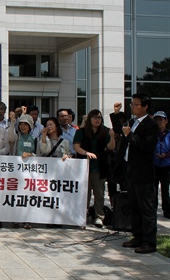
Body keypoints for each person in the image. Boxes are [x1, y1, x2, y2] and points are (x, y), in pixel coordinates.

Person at [114, 94, 158, 254]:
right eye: (132, 104)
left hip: (143, 172)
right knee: (135, 206)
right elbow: (120, 132)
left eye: (136, 104)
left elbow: (147, 146)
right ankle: (138, 236)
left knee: (146, 207)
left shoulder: (151, 125)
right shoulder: (132, 122)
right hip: (130, 170)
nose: (132, 107)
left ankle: (150, 242)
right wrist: (117, 114)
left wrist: (131, 135)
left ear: (145, 106)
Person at [73, 110, 115, 228]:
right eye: (95, 117)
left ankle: (99, 217)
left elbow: (110, 147)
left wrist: (112, 137)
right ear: (90, 118)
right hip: (84, 167)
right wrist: (86, 153)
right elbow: (76, 146)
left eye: (100, 118)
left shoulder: (105, 131)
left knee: (99, 193)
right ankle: (82, 216)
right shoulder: (81, 131)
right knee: (84, 193)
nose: (97, 120)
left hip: (100, 167)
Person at [8, 113, 36, 229]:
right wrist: (13, 122)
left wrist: (31, 154)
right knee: (15, 195)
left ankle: (26, 219)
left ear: (30, 126)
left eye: (26, 124)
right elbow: (10, 138)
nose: (23, 127)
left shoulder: (35, 138)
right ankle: (15, 218)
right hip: (16, 171)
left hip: (30, 172)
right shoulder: (16, 137)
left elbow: (40, 153)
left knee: (27, 196)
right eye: (21, 124)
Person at [153, 111, 170, 219]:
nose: (159, 122)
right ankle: (152, 209)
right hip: (154, 165)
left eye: (161, 119)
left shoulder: (169, 134)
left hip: (166, 165)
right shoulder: (152, 134)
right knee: (153, 189)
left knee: (165, 189)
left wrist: (166, 154)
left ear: (166, 121)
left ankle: (167, 210)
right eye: (157, 119)